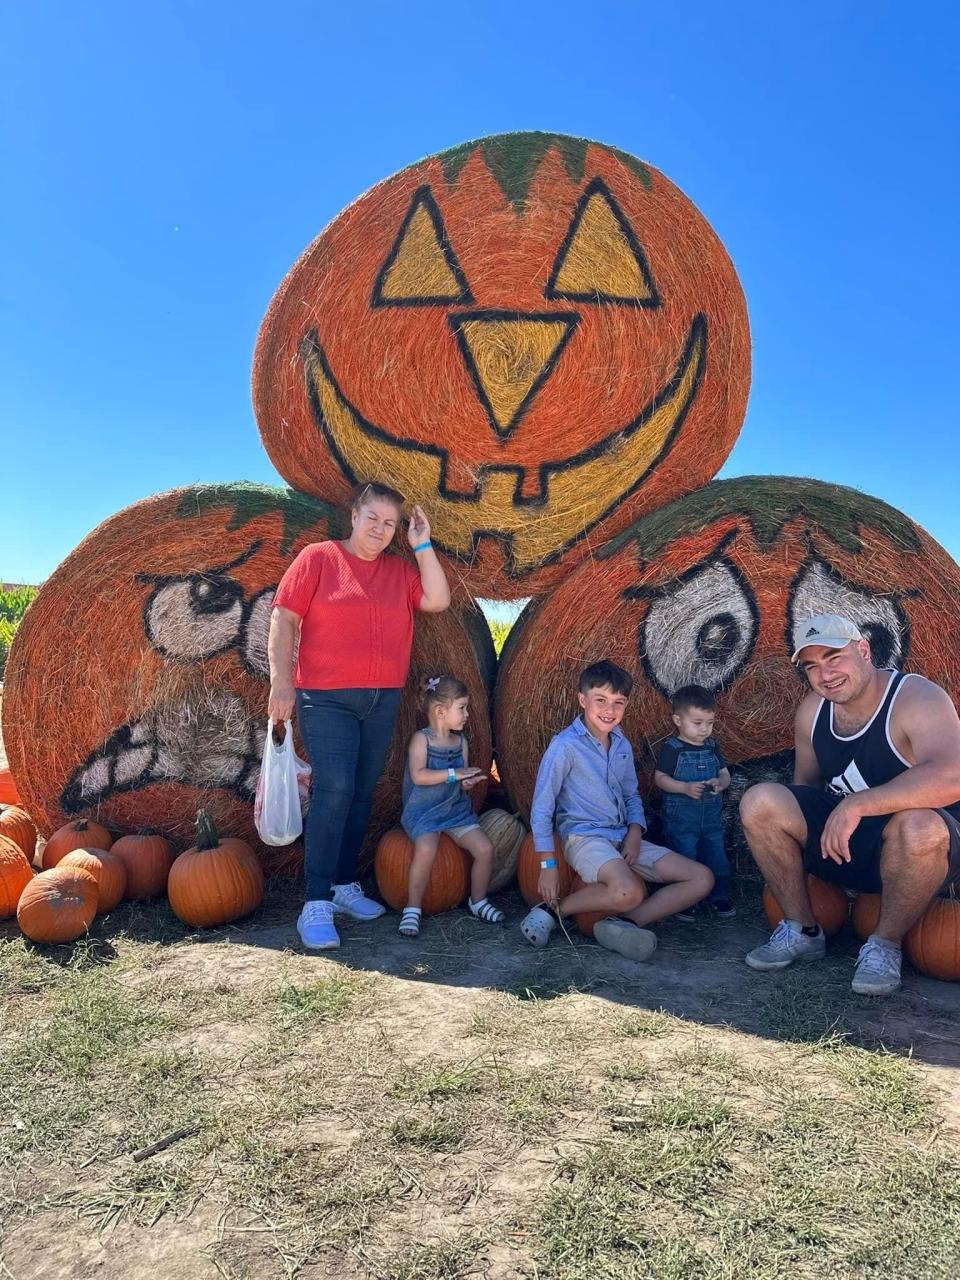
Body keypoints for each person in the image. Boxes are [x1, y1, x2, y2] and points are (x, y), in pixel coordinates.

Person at [267, 481, 451, 950]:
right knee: (336, 789)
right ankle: (315, 903)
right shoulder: (318, 558)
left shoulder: (397, 570)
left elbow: (437, 600)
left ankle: (343, 885)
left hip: (380, 699)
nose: (380, 529)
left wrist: (422, 544)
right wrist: (281, 683)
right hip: (325, 698)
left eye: (390, 523)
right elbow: (284, 617)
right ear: (353, 516)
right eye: (373, 518)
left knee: (363, 792)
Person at [741, 613, 960, 995]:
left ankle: (884, 945)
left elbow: (952, 777)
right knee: (760, 801)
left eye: (834, 657)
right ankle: (802, 929)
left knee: (919, 825)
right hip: (846, 846)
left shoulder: (915, 698)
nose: (825, 674)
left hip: (915, 852)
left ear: (863, 650)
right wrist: (802, 865)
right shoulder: (813, 711)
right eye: (812, 666)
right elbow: (804, 790)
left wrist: (857, 805)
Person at [521, 660, 714, 959]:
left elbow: (631, 795)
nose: (609, 710)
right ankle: (553, 909)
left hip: (623, 838)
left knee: (701, 878)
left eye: (618, 703)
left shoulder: (621, 744)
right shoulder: (565, 747)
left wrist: (636, 832)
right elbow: (542, 808)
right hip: (586, 839)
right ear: (582, 700)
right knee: (629, 891)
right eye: (601, 700)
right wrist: (547, 866)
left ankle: (624, 924)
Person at [397, 675, 503, 937]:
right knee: (426, 848)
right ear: (440, 711)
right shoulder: (421, 740)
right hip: (424, 812)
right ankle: (412, 908)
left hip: (454, 810)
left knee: (485, 848)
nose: (467, 714)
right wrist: (456, 773)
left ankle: (477, 901)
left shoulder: (460, 743)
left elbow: (459, 783)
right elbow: (420, 776)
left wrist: (469, 781)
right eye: (463, 708)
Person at [654, 685, 735, 920]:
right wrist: (684, 788)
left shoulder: (712, 746)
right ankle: (684, 900)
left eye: (709, 723)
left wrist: (721, 782)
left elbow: (725, 773)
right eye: (698, 723)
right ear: (678, 720)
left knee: (716, 856)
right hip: (681, 821)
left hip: (710, 819)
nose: (705, 730)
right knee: (684, 856)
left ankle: (719, 896)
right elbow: (659, 779)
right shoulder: (672, 749)